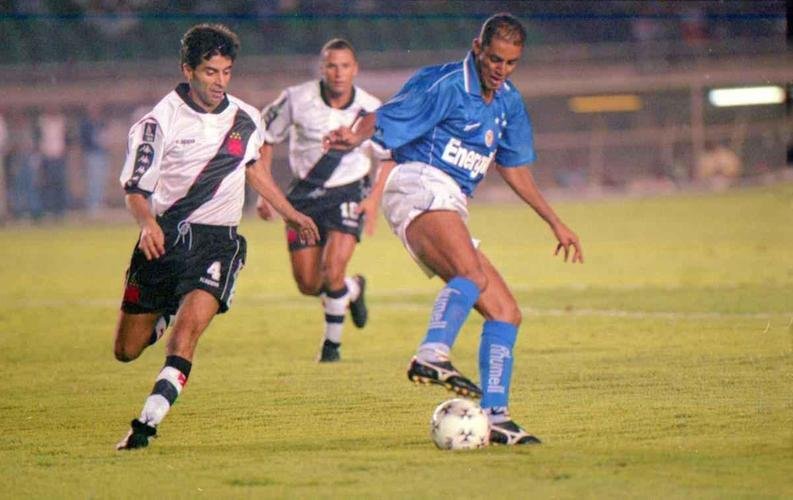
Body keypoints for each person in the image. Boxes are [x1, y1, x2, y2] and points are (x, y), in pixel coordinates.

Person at [325, 13, 583, 445]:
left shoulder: (508, 102)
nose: (500, 69)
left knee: (505, 311)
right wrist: (353, 138)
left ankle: (496, 416)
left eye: (511, 62)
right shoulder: (445, 83)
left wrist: (554, 221)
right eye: (495, 58)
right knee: (472, 274)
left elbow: (514, 168)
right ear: (477, 47)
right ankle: (431, 353)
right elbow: (381, 116)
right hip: (418, 182)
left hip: (450, 202)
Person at [114, 23, 318, 450]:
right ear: (187, 69)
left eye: (226, 72)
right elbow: (135, 188)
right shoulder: (157, 123)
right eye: (210, 72)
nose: (219, 82)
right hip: (164, 240)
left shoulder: (245, 118)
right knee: (127, 350)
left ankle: (147, 422)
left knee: (185, 335)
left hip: (218, 243)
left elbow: (254, 170)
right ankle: (165, 309)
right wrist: (147, 222)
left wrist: (291, 213)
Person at [256, 38, 393, 362]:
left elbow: (389, 155)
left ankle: (331, 347)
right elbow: (265, 137)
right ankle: (353, 288)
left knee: (332, 270)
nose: (338, 73)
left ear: (355, 69)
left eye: (345, 66)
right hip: (303, 196)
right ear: (322, 68)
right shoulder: (295, 98)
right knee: (308, 283)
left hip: (349, 191)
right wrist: (265, 194)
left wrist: (374, 199)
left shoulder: (371, 109)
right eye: (332, 65)